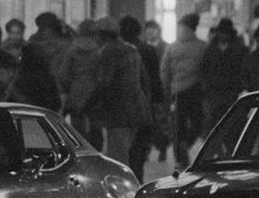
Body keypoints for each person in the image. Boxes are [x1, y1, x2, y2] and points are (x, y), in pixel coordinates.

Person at [82, 16, 149, 166]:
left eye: (96, 35)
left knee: (117, 158)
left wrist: (87, 105)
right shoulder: (131, 49)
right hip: (137, 108)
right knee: (126, 152)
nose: (95, 39)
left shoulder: (109, 52)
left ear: (102, 35)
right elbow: (143, 79)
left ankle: (121, 188)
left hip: (120, 110)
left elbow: (104, 83)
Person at [121, 15, 166, 180]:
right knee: (139, 147)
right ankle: (137, 180)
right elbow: (154, 79)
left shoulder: (118, 50)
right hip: (144, 103)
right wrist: (158, 102)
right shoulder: (147, 50)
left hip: (123, 106)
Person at [160, 13, 207, 162]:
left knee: (180, 125)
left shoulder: (173, 47)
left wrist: (166, 87)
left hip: (182, 90)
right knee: (192, 123)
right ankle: (183, 148)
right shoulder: (202, 46)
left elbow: (164, 70)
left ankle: (181, 154)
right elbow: (165, 69)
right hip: (191, 90)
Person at [198, 19, 246, 131]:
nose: (223, 35)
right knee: (216, 123)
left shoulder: (213, 49)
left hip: (229, 92)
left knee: (229, 124)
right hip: (216, 92)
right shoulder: (211, 50)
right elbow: (203, 70)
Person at [8, 44, 63, 111]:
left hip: (24, 115)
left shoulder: (19, 78)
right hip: (45, 116)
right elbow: (57, 103)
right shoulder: (48, 78)